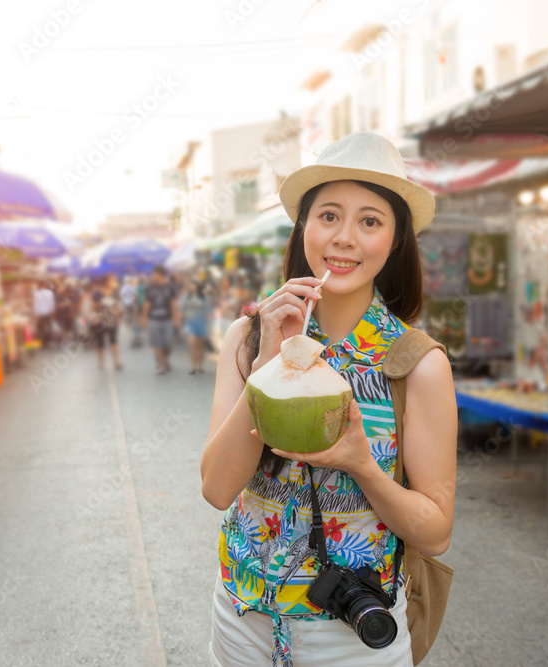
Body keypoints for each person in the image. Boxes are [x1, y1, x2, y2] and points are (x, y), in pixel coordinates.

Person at [200, 132, 457, 666]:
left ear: (394, 241)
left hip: (352, 637)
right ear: (303, 227)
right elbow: (217, 489)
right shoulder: (246, 339)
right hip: (242, 619)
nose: (344, 238)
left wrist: (364, 466)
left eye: (370, 221)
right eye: (329, 215)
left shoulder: (417, 362)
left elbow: (435, 533)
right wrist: (271, 363)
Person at [141, 265, 180, 375]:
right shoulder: (150, 287)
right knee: (156, 343)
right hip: (154, 319)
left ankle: (165, 359)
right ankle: (161, 365)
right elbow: (147, 303)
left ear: (161, 274)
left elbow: (173, 304)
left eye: (155, 274)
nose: (153, 276)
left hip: (167, 319)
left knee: (168, 344)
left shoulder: (170, 287)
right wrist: (144, 318)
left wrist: (176, 318)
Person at [88, 282, 123, 371]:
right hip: (99, 322)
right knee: (100, 343)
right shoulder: (97, 294)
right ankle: (101, 362)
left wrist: (117, 321)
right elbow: (92, 306)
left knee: (113, 341)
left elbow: (117, 310)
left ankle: (116, 361)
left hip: (111, 322)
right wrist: (101, 303)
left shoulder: (114, 295)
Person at [180, 281, 210, 374]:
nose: (192, 287)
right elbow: (182, 309)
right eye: (191, 285)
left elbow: (207, 311)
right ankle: (193, 366)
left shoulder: (204, 297)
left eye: (194, 285)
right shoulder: (186, 297)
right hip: (190, 323)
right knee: (192, 344)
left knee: (200, 346)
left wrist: (208, 325)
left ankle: (200, 365)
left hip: (201, 322)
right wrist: (180, 321)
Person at [32, 282, 56, 347]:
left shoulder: (36, 294)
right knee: (49, 327)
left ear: (39, 286)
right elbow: (52, 303)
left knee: (41, 328)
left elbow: (35, 305)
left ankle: (42, 342)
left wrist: (36, 315)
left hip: (40, 313)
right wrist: (53, 312)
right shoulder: (50, 293)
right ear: (45, 285)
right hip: (48, 312)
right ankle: (49, 342)